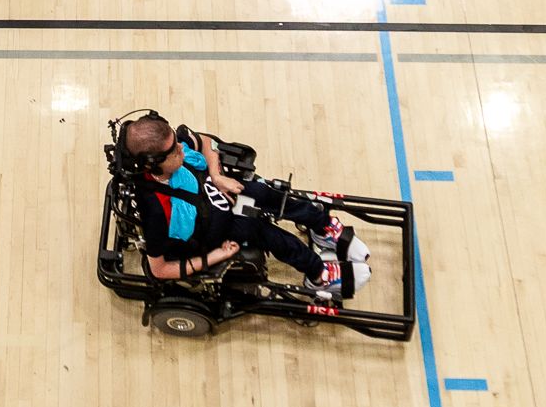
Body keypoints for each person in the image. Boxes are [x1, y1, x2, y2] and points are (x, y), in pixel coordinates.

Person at [120, 113, 367, 299]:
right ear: (152, 164)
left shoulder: (176, 150)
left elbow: (205, 141)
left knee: (263, 192)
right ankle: (318, 275)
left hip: (215, 190)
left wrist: (217, 176)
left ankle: (322, 227)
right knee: (260, 230)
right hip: (212, 230)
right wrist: (216, 256)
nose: (181, 149)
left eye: (177, 142)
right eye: (174, 151)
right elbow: (160, 269)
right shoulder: (155, 211)